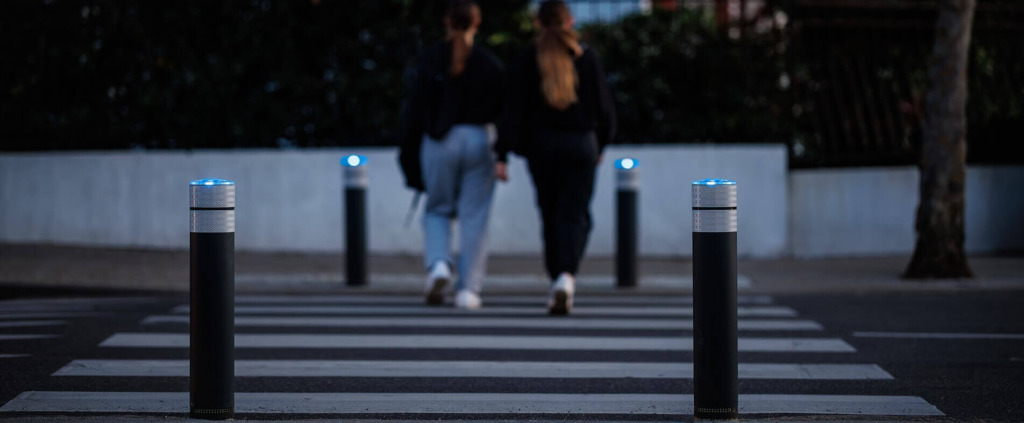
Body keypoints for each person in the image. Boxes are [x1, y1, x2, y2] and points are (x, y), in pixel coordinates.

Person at [501, 0, 616, 315]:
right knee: (576, 214)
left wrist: (504, 152)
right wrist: (602, 144)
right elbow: (605, 109)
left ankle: (556, 278)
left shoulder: (528, 59)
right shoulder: (586, 57)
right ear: (571, 22)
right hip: (581, 144)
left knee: (550, 213)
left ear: (538, 23)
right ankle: (566, 275)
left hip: (542, 146)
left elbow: (512, 111)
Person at [398, 0, 507, 309]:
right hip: (480, 138)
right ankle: (468, 290)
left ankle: (439, 266)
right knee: (474, 216)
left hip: (438, 141)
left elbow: (412, 110)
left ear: (446, 21)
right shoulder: (488, 62)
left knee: (437, 209)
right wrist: (503, 153)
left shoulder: (431, 59)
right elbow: (505, 109)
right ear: (477, 23)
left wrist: (409, 154)